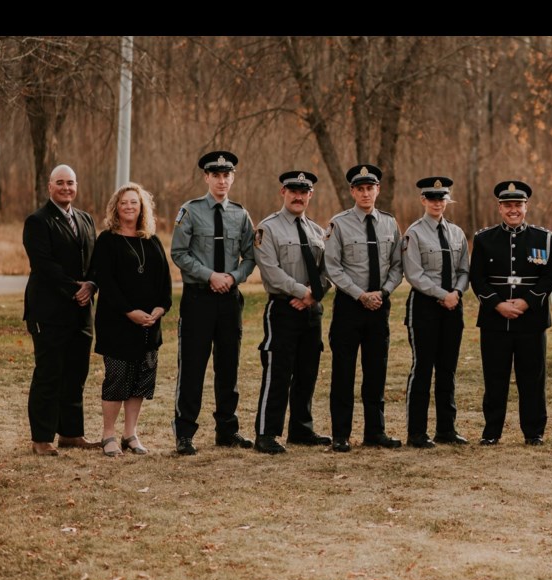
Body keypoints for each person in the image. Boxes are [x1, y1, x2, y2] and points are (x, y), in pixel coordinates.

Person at [170, 151, 256, 455]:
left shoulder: (241, 214)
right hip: (199, 299)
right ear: (206, 177)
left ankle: (227, 430)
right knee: (193, 366)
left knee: (228, 365)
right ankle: (185, 433)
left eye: (226, 175)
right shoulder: (190, 211)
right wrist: (210, 276)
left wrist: (233, 277)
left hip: (229, 299)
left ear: (232, 178)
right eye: (216, 175)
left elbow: (251, 257)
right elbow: (179, 253)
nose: (222, 180)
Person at [469, 181, 552, 446]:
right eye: (508, 205)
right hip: (495, 320)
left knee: (532, 379)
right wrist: (497, 303)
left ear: (526, 207)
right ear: (499, 207)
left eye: (518, 205)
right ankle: (492, 431)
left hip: (530, 320)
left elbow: (550, 275)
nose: (513, 210)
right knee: (495, 378)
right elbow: (477, 277)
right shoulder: (484, 238)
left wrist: (526, 302)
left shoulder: (544, 238)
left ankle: (534, 432)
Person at [251, 171, 333, 454]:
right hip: (283, 308)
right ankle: (266, 432)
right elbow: (271, 272)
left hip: (312, 310)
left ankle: (301, 429)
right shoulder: (268, 228)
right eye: (293, 190)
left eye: (304, 191)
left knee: (307, 370)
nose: (298, 196)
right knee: (278, 371)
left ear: (310, 195)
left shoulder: (317, 230)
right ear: (282, 193)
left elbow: (328, 270)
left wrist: (314, 295)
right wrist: (303, 292)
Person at [324, 164, 404, 452]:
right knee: (343, 372)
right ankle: (340, 435)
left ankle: (375, 432)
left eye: (371, 188)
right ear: (352, 192)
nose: (366, 193)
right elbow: (332, 267)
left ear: (378, 190)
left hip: (379, 307)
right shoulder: (339, 224)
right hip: (349, 306)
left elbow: (397, 266)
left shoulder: (390, 223)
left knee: (376, 372)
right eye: (360, 188)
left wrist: (383, 292)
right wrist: (360, 295)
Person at [23, 164, 100, 455]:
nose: (66, 188)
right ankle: (41, 439)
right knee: (49, 373)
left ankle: (71, 433)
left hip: (82, 311)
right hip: (49, 311)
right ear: (49, 187)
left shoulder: (86, 219)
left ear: (76, 186)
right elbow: (43, 264)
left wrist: (91, 284)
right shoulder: (37, 221)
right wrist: (74, 289)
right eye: (60, 183)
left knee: (76, 373)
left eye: (70, 183)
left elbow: (94, 260)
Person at [91, 183, 172, 456]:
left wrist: (161, 308)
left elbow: (165, 280)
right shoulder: (107, 240)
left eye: (134, 203)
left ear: (142, 207)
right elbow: (107, 282)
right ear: (116, 207)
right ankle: (108, 435)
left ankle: (130, 434)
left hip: (149, 325)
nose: (129, 207)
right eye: (124, 202)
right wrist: (129, 312)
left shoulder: (152, 240)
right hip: (118, 323)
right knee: (117, 379)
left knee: (140, 381)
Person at [401, 177, 471, 448]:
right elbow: (414, 274)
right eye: (432, 198)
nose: (437, 203)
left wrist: (457, 294)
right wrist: (444, 295)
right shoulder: (414, 233)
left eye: (441, 198)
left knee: (447, 369)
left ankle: (446, 429)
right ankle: (416, 432)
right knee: (423, 368)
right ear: (423, 200)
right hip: (425, 308)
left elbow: (464, 270)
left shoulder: (456, 232)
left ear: (447, 200)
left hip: (454, 307)